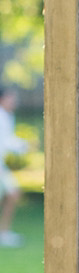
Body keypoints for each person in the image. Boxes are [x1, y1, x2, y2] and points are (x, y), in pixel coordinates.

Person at [0, 86, 27, 246]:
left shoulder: (7, 116)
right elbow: (6, 142)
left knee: (13, 194)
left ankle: (4, 232)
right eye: (11, 98)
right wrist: (23, 145)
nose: (13, 101)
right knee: (13, 194)